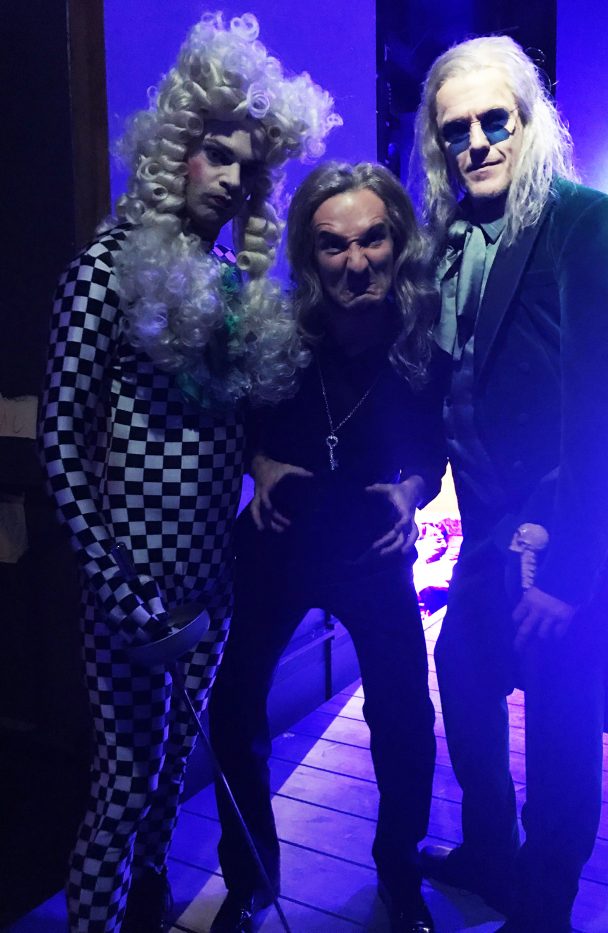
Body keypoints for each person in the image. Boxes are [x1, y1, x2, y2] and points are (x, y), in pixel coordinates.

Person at [38, 12, 339, 932]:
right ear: (175, 151)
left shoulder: (231, 291)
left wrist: (268, 460)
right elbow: (60, 447)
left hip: (211, 582)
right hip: (130, 592)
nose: (234, 179)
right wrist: (120, 592)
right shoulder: (102, 274)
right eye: (217, 154)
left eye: (249, 166)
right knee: (127, 781)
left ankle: (147, 906)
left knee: (174, 769)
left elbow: (227, 430)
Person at [409, 35, 608, 933]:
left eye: (494, 120)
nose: (475, 142)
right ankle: (489, 851)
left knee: (560, 722)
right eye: (455, 129)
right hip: (487, 531)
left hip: (558, 535)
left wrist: (569, 573)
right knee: (462, 673)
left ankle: (546, 905)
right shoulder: (446, 243)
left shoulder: (589, 224)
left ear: (530, 120)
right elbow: (448, 383)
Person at [208, 161, 445, 933]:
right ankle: (250, 880)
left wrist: (414, 489)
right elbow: (236, 422)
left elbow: (434, 447)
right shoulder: (279, 334)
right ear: (310, 256)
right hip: (280, 541)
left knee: (405, 718)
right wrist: (258, 462)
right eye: (333, 245)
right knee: (233, 706)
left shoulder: (420, 339)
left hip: (372, 546)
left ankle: (399, 875)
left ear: (397, 242)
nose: (355, 261)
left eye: (373, 239)